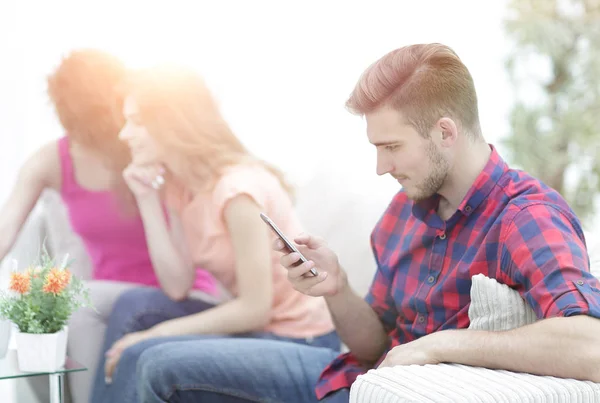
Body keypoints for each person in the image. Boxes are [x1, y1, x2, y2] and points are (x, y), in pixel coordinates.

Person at [133, 42, 600, 403]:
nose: (381, 167)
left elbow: (589, 345)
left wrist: (442, 345)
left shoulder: (526, 216)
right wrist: (335, 288)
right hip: (348, 376)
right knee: (157, 366)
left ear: (445, 132)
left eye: (391, 147)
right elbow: (373, 343)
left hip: (382, 391)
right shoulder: (404, 211)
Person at [89, 65, 339, 403]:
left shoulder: (237, 192)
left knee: (142, 352)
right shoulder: (181, 187)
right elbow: (177, 285)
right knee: (133, 304)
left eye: (136, 121)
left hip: (298, 340)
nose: (125, 134)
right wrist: (147, 198)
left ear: (171, 123)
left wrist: (155, 334)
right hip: (256, 330)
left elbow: (254, 308)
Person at [0, 49, 217, 403]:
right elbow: (6, 227)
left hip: (177, 295)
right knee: (77, 301)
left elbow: (181, 273)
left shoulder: (148, 149)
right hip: (107, 302)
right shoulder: (54, 159)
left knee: (77, 299)